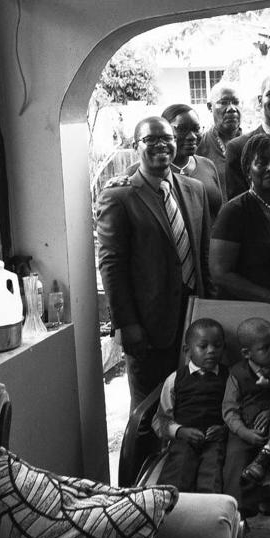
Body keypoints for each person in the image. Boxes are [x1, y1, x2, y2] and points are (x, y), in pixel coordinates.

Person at [97, 116, 211, 411]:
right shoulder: (118, 196)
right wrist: (126, 324)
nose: (161, 144)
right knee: (147, 413)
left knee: (191, 405)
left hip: (194, 321)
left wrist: (209, 307)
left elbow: (204, 254)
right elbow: (112, 265)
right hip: (146, 327)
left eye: (167, 138)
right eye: (151, 140)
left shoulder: (195, 189)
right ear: (136, 147)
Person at [210, 132, 270, 308]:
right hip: (245, 311)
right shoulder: (234, 212)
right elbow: (220, 273)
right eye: (261, 162)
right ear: (248, 170)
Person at [221, 317, 270, 518]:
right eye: (266, 348)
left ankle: (267, 479)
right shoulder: (237, 374)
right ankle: (238, 510)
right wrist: (244, 432)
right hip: (245, 429)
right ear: (247, 353)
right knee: (235, 459)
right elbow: (229, 409)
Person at [151, 318, 228, 493]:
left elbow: (237, 412)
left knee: (213, 469)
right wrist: (179, 431)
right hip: (184, 438)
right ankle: (170, 509)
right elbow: (160, 419)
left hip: (215, 440)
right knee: (178, 466)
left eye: (217, 346)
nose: (211, 351)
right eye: (203, 346)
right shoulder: (175, 379)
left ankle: (208, 512)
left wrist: (224, 430)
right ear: (188, 351)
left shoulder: (229, 378)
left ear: (224, 348)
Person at [127, 104, 223, 220]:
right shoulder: (137, 173)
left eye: (196, 129)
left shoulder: (207, 165)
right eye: (182, 129)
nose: (192, 136)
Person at [197, 79, 244, 191]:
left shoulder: (253, 142)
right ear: (210, 107)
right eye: (223, 103)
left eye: (236, 102)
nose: (231, 108)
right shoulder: (199, 146)